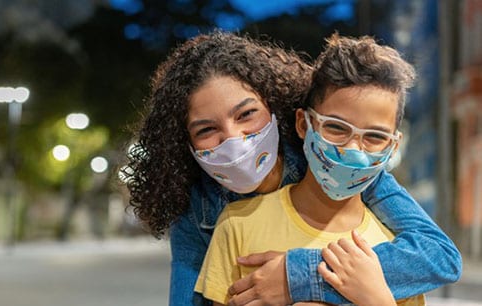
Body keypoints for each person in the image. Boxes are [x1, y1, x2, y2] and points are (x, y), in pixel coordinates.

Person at [123, 30, 461, 305]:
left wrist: (300, 277)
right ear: (185, 143)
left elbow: (438, 255)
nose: (234, 140)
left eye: (246, 114)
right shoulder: (199, 207)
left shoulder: (334, 161)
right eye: (207, 130)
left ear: (275, 108)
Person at [194, 34, 428, 305]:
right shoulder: (237, 225)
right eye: (336, 128)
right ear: (304, 125)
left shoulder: (396, 253)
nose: (353, 149)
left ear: (393, 145)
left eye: (374, 137)